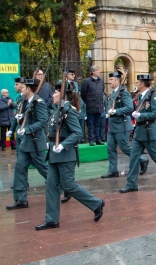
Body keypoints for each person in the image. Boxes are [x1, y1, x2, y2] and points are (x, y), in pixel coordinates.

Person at [35, 81, 105, 230]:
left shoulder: (69, 111)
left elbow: (78, 133)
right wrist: (50, 142)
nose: (52, 95)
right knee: (51, 186)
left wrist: (63, 145)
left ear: (62, 94)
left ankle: (96, 203)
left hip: (66, 155)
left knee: (69, 185)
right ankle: (51, 219)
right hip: (54, 154)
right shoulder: (57, 110)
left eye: (55, 92)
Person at [119, 74, 156, 193]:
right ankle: (131, 184)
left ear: (142, 84)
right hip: (139, 132)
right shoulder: (142, 96)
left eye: (138, 83)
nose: (136, 84)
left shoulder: (153, 96)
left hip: (149, 132)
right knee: (133, 158)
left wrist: (141, 115)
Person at [6, 78, 49, 210]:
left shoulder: (38, 103)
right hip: (26, 143)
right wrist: (15, 127)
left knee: (44, 170)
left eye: (23, 88)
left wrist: (27, 129)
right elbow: (22, 118)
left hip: (36, 142)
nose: (21, 90)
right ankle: (20, 199)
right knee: (20, 169)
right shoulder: (24, 102)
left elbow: (43, 121)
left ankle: (65, 187)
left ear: (29, 89)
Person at [102, 70, 148, 179]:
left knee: (125, 147)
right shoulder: (114, 93)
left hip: (121, 125)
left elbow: (130, 107)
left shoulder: (124, 93)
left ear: (118, 81)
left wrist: (116, 111)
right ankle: (113, 170)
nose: (109, 82)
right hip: (113, 125)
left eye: (111, 79)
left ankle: (142, 159)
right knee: (110, 148)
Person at [81, 65, 105, 146]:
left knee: (98, 123)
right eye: (97, 70)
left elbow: (102, 91)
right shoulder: (87, 81)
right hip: (90, 105)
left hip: (99, 105)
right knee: (90, 124)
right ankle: (91, 139)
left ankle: (98, 139)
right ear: (93, 72)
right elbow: (83, 94)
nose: (99, 72)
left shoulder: (101, 81)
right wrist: (88, 101)